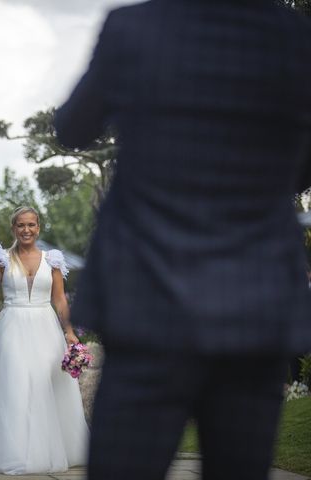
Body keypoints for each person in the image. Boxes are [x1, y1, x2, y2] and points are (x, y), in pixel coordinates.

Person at [54, 1, 311, 479]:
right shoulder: (293, 36)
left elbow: (71, 127)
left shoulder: (134, 27)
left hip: (147, 301)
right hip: (255, 303)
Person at [0, 206, 89, 475]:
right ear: (13, 229)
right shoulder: (1, 259)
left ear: (38, 227)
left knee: (44, 386)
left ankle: (46, 449)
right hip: (12, 327)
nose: (26, 230)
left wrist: (68, 331)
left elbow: (60, 300)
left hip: (45, 327)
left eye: (31, 225)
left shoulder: (52, 260)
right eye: (21, 225)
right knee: (15, 384)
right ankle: (13, 452)